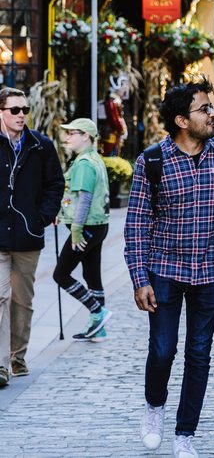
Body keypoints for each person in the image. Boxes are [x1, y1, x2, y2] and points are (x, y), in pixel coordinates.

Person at [124, 78, 214, 458]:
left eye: (210, 107)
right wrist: (140, 279)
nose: (212, 114)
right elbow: (136, 225)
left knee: (199, 354)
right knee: (163, 350)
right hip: (165, 271)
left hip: (209, 271)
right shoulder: (152, 160)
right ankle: (154, 407)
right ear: (183, 120)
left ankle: (185, 435)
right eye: (205, 109)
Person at [0, 87, 63, 387]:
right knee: (1, 297)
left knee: (22, 301)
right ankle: (0, 365)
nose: (21, 115)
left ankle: (17, 356)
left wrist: (43, 215)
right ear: (1, 112)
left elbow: (55, 183)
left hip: (28, 235)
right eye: (14, 110)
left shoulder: (41, 145)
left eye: (24, 110)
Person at [52, 118, 112, 343]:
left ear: (85, 136)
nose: (67, 138)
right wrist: (60, 213)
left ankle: (98, 312)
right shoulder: (93, 159)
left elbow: (84, 198)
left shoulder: (85, 163)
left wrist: (76, 230)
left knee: (61, 274)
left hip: (86, 227)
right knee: (91, 275)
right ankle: (99, 328)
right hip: (98, 226)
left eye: (72, 133)